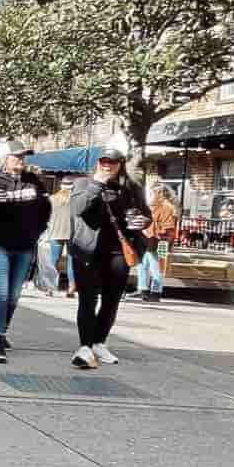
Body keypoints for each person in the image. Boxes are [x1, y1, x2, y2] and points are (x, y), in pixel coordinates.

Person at [67, 141, 151, 368]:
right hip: (87, 250)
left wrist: (141, 221)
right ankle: (85, 346)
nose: (107, 166)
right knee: (87, 299)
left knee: (111, 300)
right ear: (98, 163)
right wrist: (97, 184)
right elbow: (77, 209)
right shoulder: (84, 183)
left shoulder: (130, 187)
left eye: (112, 162)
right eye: (104, 161)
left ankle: (99, 342)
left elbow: (145, 214)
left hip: (118, 251)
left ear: (120, 165)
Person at [0, 144, 52, 362]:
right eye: (16, 156)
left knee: (15, 294)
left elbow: (46, 208)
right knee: (1, 292)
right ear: (5, 158)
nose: (21, 160)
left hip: (24, 246)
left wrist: (37, 231)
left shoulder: (34, 181)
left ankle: (2, 329)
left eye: (23, 156)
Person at [135, 186, 179, 301]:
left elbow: (168, 227)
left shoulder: (167, 208)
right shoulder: (157, 206)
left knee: (156, 267)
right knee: (143, 265)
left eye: (152, 193)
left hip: (159, 240)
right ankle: (143, 289)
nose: (150, 196)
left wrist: (155, 231)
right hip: (151, 239)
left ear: (159, 194)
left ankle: (155, 292)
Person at [47, 177, 77, 296]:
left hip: (55, 232)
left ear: (61, 185)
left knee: (53, 260)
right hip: (72, 233)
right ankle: (71, 288)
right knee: (71, 262)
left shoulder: (52, 199)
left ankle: (50, 287)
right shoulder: (75, 200)